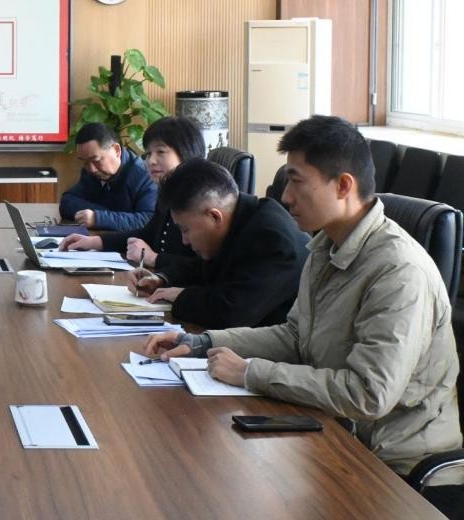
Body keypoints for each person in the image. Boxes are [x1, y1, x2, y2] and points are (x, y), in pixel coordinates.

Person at [145, 115, 461, 477]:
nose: (285, 196)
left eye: (296, 181)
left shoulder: (399, 272)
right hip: (334, 436)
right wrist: (203, 343)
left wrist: (250, 373)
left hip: (396, 468)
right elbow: (295, 336)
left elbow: (368, 394)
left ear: (343, 185)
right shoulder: (325, 247)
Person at [124, 159, 307, 329]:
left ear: (214, 216)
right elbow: (201, 268)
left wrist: (180, 296)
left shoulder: (272, 240)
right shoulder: (239, 217)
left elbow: (232, 313)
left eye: (185, 230)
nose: (184, 240)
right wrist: (161, 279)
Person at [60, 116, 204, 265]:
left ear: (186, 152)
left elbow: (206, 268)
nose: (151, 161)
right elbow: (148, 233)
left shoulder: (201, 200)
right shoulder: (168, 191)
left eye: (160, 152)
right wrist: (94, 242)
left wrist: (154, 259)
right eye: (148, 154)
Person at [59, 122, 157, 231]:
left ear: (116, 150)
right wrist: (106, 215)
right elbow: (67, 202)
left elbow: (149, 220)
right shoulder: (91, 171)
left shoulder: (144, 175)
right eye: (85, 162)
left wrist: (99, 218)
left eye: (96, 160)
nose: (91, 169)